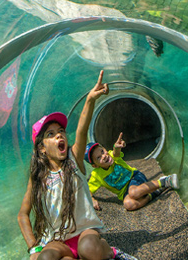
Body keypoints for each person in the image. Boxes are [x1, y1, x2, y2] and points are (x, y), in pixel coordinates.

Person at [17, 71, 136, 260]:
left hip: (84, 233)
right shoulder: (38, 178)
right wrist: (34, 248)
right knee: (45, 258)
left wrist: (90, 99)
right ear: (41, 149)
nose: (59, 135)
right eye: (51, 134)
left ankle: (112, 252)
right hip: (58, 242)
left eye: (61, 131)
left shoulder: (73, 160)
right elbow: (23, 215)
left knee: (89, 248)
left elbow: (82, 128)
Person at [85, 133, 179, 211]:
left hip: (134, 177)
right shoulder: (96, 175)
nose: (104, 156)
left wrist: (116, 147)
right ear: (95, 165)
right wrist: (92, 199)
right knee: (128, 204)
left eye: (102, 151)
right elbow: (88, 191)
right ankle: (154, 193)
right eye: (98, 158)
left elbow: (115, 153)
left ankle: (165, 181)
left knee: (133, 192)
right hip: (125, 192)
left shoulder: (112, 156)